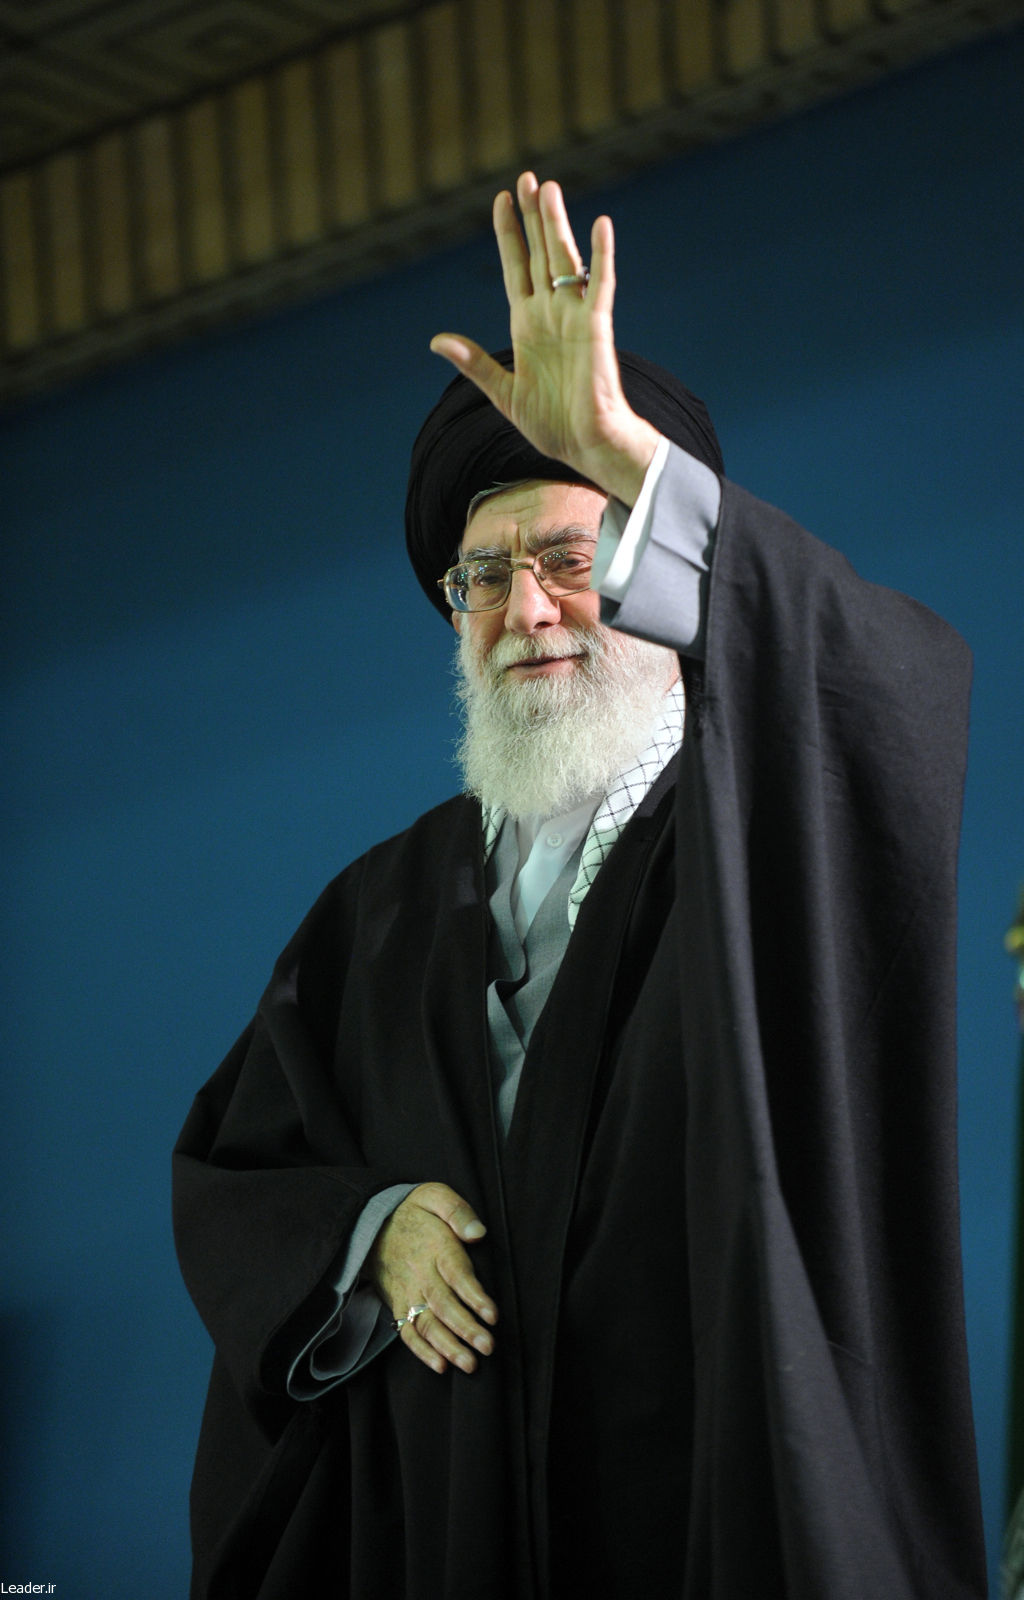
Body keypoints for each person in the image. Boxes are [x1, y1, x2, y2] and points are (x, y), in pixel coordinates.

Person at [173, 172, 986, 1600]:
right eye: (482, 580)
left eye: (571, 556)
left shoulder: (754, 824)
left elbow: (891, 688)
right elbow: (238, 1179)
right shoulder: (373, 917)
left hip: (700, 1507)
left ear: (659, 578)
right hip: (446, 1530)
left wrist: (619, 448)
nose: (527, 610)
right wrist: (370, 1234)